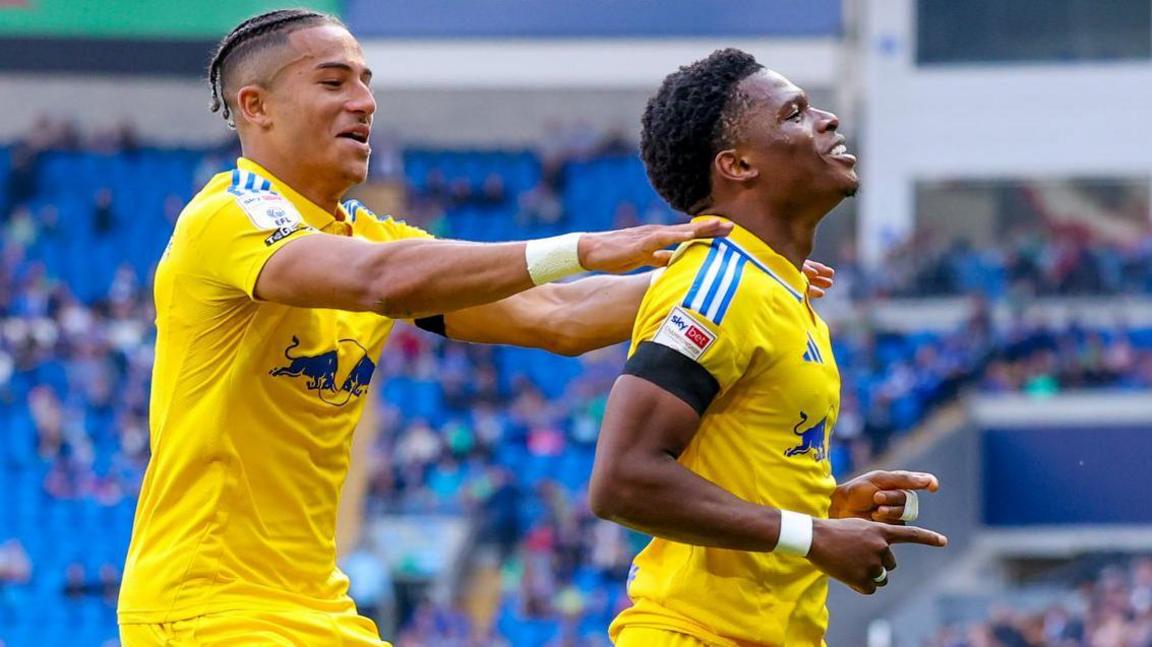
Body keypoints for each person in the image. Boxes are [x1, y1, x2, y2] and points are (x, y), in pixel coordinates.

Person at [114, 9, 741, 646]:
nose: (364, 102)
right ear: (256, 105)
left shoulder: (372, 234)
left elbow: (563, 317)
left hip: (317, 606)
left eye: (365, 82)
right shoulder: (227, 215)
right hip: (208, 606)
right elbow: (378, 281)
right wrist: (580, 247)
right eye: (334, 83)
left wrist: (743, 282)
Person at [587, 48, 948, 647]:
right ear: (738, 165)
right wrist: (814, 537)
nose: (827, 120)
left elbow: (736, 475)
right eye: (795, 114)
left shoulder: (786, 292)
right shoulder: (718, 286)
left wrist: (827, 509)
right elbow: (622, 479)